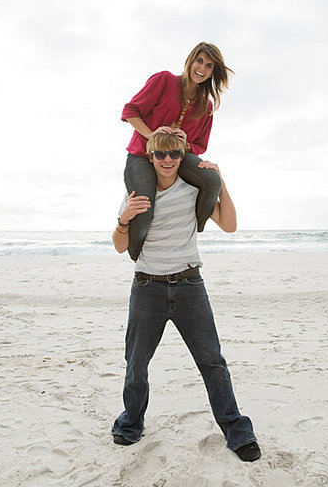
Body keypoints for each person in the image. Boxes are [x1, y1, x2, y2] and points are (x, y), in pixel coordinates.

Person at [111, 132, 261, 463]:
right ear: (150, 157)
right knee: (136, 364)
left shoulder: (195, 190)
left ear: (182, 156)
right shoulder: (137, 194)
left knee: (213, 362)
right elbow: (121, 246)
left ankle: (237, 431)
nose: (168, 160)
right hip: (146, 287)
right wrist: (123, 219)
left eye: (175, 154)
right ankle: (130, 424)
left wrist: (220, 180)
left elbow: (230, 225)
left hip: (190, 285)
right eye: (161, 155)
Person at [121, 42, 232, 262]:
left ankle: (195, 227)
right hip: (142, 156)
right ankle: (136, 255)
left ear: (213, 72)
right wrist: (152, 135)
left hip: (177, 158)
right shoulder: (164, 80)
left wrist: (186, 143)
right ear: (191, 60)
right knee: (145, 210)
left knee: (211, 179)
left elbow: (200, 145)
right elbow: (130, 112)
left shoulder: (206, 106)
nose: (202, 68)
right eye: (199, 61)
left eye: (209, 66)